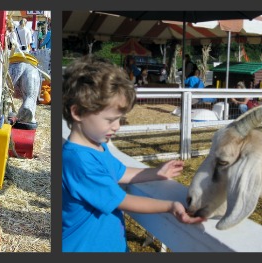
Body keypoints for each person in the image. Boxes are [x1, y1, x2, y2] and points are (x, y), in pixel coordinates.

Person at [61, 56, 204, 252]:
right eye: (111, 119)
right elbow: (123, 201)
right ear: (77, 113)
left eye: (120, 119)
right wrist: (170, 206)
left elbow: (120, 172)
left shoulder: (95, 147)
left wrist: (156, 173)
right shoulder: (78, 161)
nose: (117, 126)